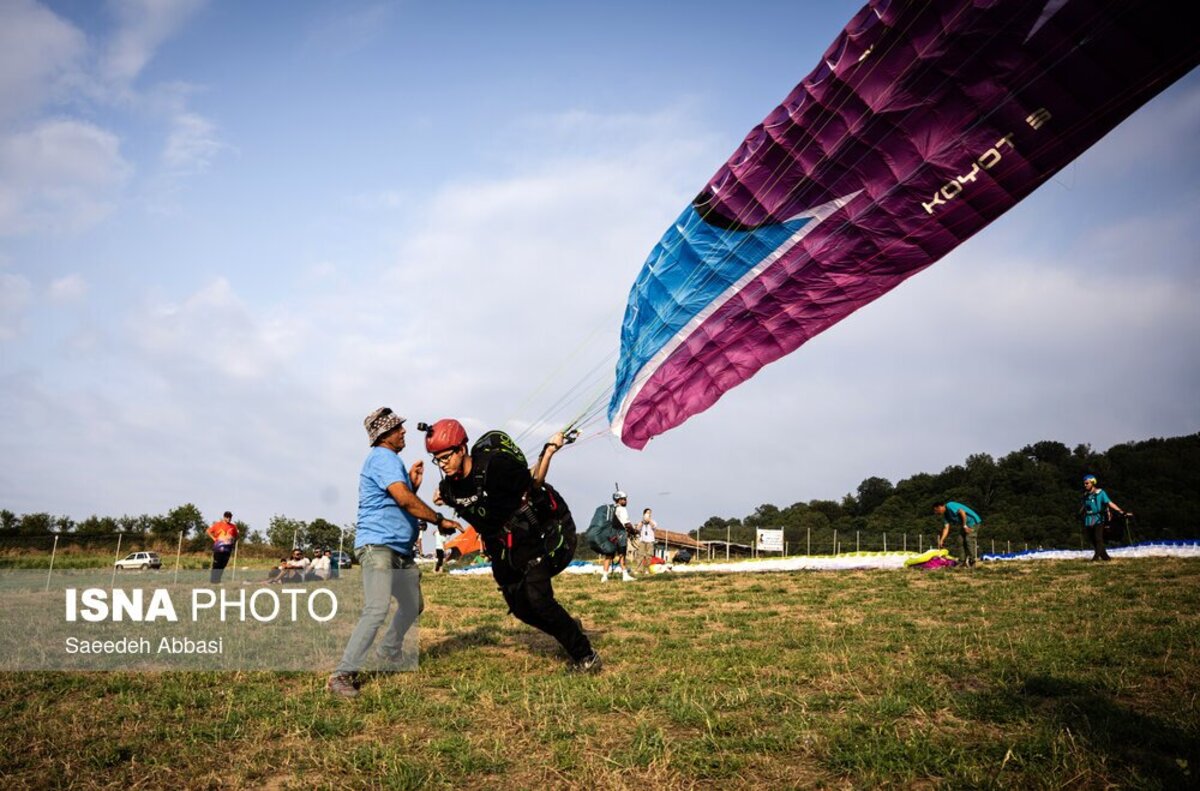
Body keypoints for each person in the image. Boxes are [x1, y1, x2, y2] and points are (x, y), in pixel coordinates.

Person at [424, 418, 600, 673]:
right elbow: (476, 516)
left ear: (462, 449)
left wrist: (549, 450)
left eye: (446, 457)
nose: (443, 465)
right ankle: (567, 626)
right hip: (503, 547)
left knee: (539, 600)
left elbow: (534, 482)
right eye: (437, 460)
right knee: (520, 608)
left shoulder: (496, 467)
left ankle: (586, 656)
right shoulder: (450, 487)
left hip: (535, 533)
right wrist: (442, 505)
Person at [327, 407, 462, 700]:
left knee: (413, 604)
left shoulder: (390, 461)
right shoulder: (383, 457)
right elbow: (403, 500)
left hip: (398, 549)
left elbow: (399, 497)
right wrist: (439, 519)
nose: (404, 432)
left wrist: (412, 485)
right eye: (398, 428)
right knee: (376, 609)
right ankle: (342, 674)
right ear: (385, 435)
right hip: (378, 547)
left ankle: (389, 649)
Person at [1080, 474, 1128, 561]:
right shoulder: (1085, 495)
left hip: (1098, 518)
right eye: (1084, 483)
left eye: (1087, 483)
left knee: (1098, 538)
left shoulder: (1101, 493)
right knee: (1093, 540)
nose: (1085, 485)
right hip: (1088, 520)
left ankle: (1095, 558)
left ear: (1093, 483)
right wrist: (1079, 513)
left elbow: (1109, 503)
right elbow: (1084, 506)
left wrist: (1121, 511)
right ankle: (1106, 558)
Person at [934, 500, 982, 567]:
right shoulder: (946, 515)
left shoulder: (950, 505)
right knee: (960, 540)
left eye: (936, 510)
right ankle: (962, 561)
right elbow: (946, 528)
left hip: (973, 522)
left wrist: (965, 526)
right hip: (964, 524)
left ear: (940, 507)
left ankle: (972, 561)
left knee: (969, 539)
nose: (936, 513)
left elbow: (962, 512)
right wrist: (942, 540)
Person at [601, 492, 635, 582]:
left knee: (608, 556)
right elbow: (626, 524)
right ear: (619, 500)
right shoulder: (622, 509)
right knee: (622, 555)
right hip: (620, 534)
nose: (626, 501)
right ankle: (625, 576)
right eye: (624, 499)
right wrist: (634, 531)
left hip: (609, 534)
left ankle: (604, 577)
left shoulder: (611, 508)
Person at [205, 511, 238, 584]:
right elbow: (208, 531)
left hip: (228, 549)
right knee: (217, 564)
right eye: (227, 517)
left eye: (230, 517)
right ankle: (213, 581)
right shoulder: (218, 524)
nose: (229, 519)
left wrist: (232, 541)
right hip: (218, 548)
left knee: (223, 565)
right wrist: (214, 538)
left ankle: (218, 580)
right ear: (224, 517)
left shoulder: (233, 526)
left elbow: (235, 535)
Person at [636, 508, 657, 574]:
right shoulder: (641, 523)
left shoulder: (653, 522)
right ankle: (640, 570)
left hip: (650, 541)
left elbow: (654, 526)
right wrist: (642, 522)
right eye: (647, 513)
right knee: (640, 556)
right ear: (644, 514)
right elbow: (637, 528)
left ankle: (648, 569)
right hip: (642, 540)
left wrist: (649, 520)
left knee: (649, 556)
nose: (649, 514)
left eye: (649, 513)